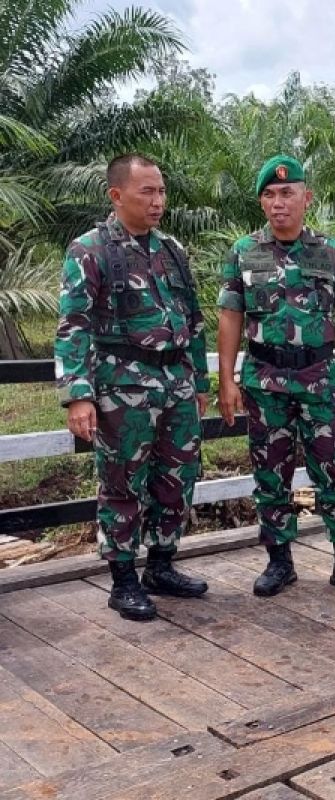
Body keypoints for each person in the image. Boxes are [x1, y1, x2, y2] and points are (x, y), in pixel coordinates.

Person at [55, 153, 210, 621]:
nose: (158, 200)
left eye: (161, 191)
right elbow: (73, 326)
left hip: (176, 382)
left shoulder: (171, 250)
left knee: (177, 478)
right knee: (122, 484)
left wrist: (199, 380)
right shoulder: (90, 250)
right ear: (116, 195)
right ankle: (123, 580)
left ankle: (160, 566)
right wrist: (79, 394)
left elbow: (194, 320)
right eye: (147, 191)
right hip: (122, 385)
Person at [215, 155, 335, 599]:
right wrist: (226, 379)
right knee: (271, 473)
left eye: (287, 193)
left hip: (319, 376)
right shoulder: (243, 251)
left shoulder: (330, 250)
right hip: (264, 379)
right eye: (269, 195)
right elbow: (230, 317)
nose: (277, 202)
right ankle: (279, 563)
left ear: (307, 197)